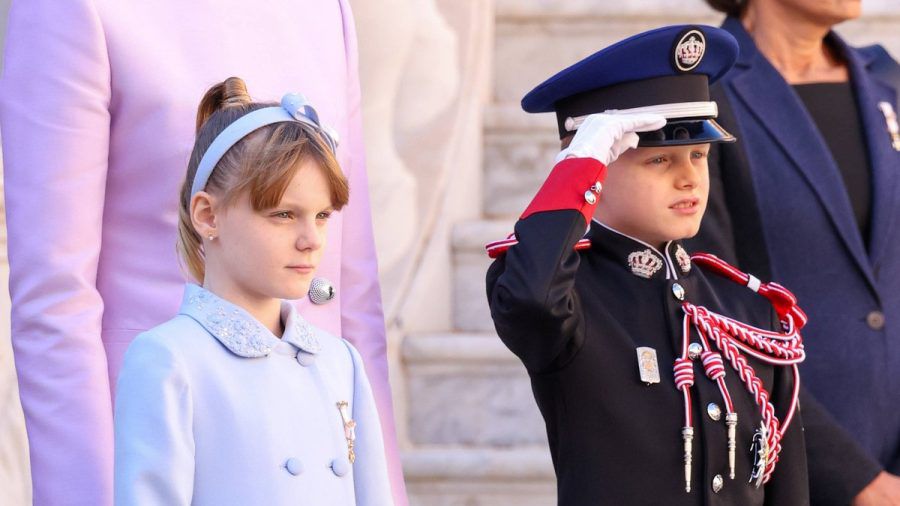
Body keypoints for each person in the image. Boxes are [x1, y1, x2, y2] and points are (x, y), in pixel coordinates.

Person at [0, 1, 406, 504]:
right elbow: (54, 300)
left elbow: (352, 294)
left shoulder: (324, 11)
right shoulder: (71, 10)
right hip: (171, 448)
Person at [485, 25, 809, 504]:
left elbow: (786, 484)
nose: (688, 179)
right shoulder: (571, 295)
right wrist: (577, 169)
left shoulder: (746, 307)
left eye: (698, 155)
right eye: (658, 160)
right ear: (599, 162)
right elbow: (530, 300)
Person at [114, 78, 392, 505]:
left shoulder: (342, 362)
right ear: (208, 216)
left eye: (321, 215)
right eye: (283, 214)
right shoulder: (170, 359)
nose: (311, 239)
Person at [689, 1, 900, 504]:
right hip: (792, 470)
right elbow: (711, 309)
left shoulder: (887, 80)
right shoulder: (704, 92)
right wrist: (855, 481)